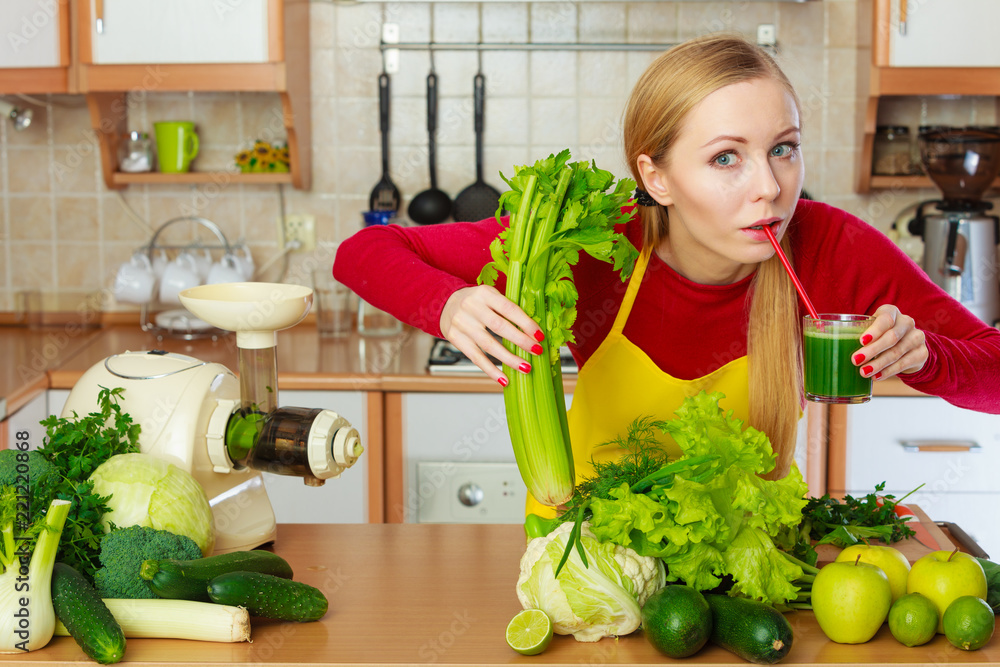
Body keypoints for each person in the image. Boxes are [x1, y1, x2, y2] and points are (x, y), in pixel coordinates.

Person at [335, 33, 1000, 516]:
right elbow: (364, 252)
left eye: (783, 149)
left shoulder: (830, 246)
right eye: (725, 159)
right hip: (589, 566)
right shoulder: (596, 238)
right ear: (656, 176)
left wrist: (929, 357)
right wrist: (445, 304)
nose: (769, 187)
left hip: (746, 583)